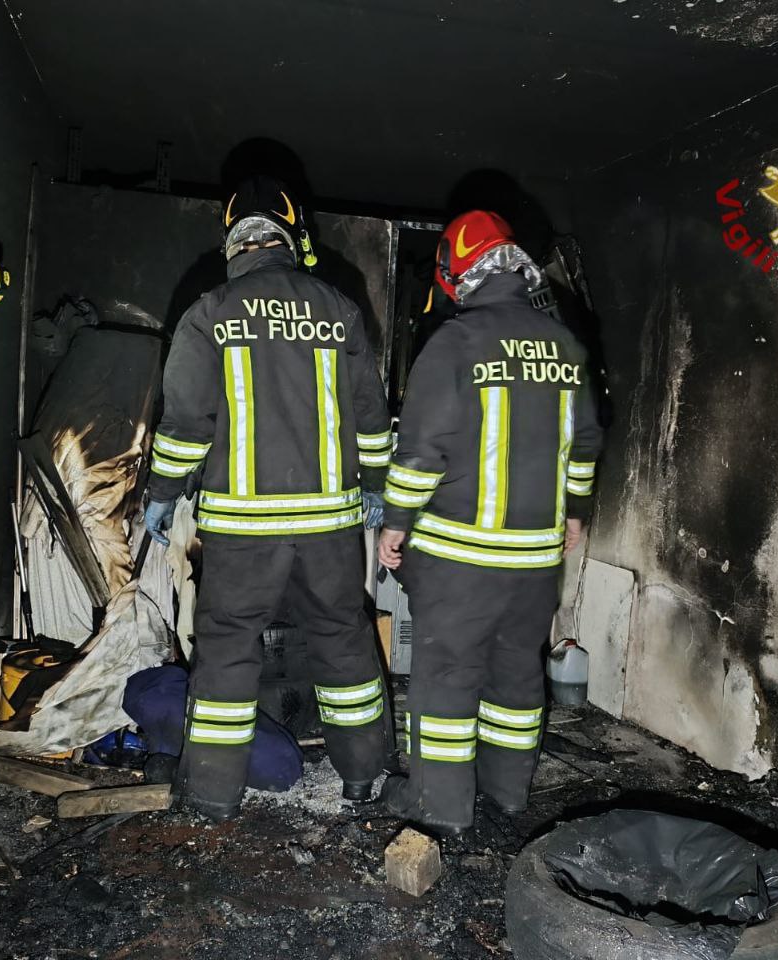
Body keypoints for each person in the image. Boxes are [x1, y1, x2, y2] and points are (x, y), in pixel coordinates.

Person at [143, 175, 392, 821]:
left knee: (227, 652)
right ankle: (364, 777)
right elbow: (371, 415)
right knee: (344, 641)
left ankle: (214, 794)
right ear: (293, 238)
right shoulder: (339, 309)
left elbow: (185, 423)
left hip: (244, 530)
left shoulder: (210, 312)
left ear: (233, 243)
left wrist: (164, 493)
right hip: (330, 527)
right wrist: (374, 489)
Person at [377, 210, 603, 833]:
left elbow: (421, 452)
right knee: (515, 676)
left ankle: (439, 809)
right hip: (535, 562)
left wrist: (395, 522)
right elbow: (583, 445)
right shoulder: (566, 346)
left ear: (456, 273)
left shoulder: (453, 344)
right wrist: (576, 514)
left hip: (459, 561)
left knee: (446, 682)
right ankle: (508, 796)